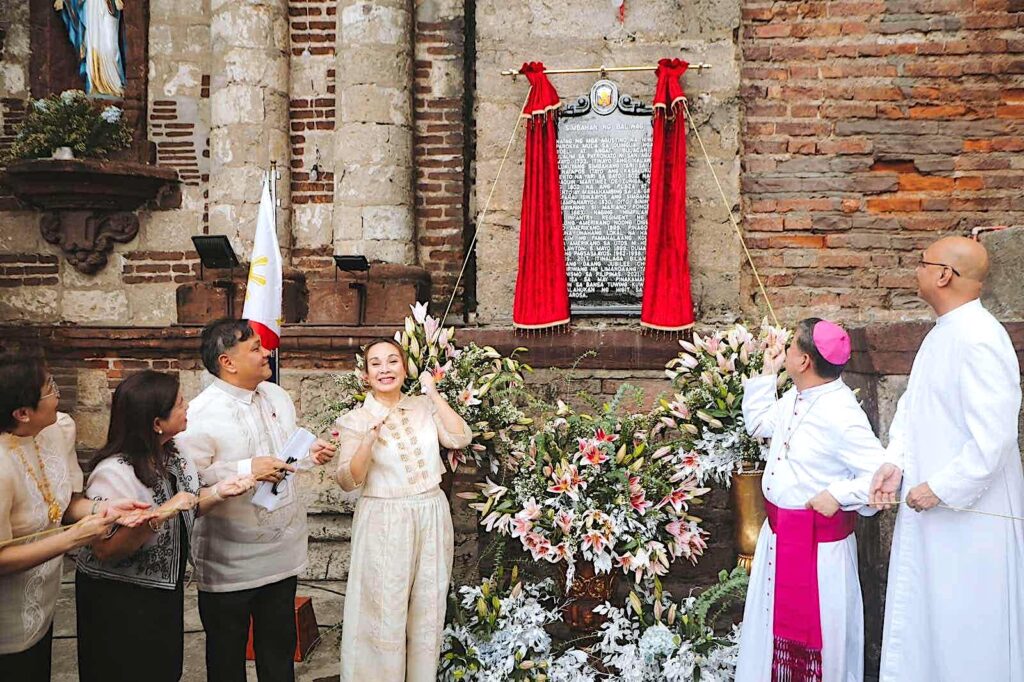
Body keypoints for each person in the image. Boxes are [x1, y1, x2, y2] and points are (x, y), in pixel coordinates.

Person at [869, 236, 1024, 681]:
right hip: (932, 512)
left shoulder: (979, 338)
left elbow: (994, 436)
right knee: (929, 624)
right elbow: (913, 409)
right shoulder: (943, 333)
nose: (916, 270)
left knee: (966, 629)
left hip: (970, 523)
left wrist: (941, 487)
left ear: (943, 275)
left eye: (923, 263)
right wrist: (895, 463)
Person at [174, 318, 336, 682]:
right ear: (227, 362)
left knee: (279, 649)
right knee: (227, 657)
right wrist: (247, 468)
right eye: (256, 348)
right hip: (230, 558)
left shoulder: (276, 395)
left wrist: (311, 452)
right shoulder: (200, 414)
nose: (267, 353)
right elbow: (187, 485)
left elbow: (287, 447)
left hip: (282, 551)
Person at [75, 370, 255, 682]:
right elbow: (106, 549)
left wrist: (219, 492)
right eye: (180, 404)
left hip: (163, 592)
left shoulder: (177, 452)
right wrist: (161, 514)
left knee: (164, 668)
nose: (188, 408)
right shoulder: (113, 472)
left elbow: (187, 505)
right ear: (157, 422)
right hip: (119, 596)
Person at [735, 319, 888, 682]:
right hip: (777, 540)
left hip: (820, 554)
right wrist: (768, 372)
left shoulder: (842, 413)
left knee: (821, 645)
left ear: (804, 361)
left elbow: (883, 476)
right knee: (768, 636)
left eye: (790, 346)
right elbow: (758, 425)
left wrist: (839, 495)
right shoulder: (797, 396)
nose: (785, 350)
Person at [0, 355, 146, 680]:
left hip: (43, 600)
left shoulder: (56, 430)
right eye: (50, 388)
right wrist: (74, 538)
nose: (58, 394)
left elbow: (65, 506)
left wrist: (104, 509)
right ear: (22, 413)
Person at [335, 337, 473, 682]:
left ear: (405, 367)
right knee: (384, 608)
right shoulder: (354, 419)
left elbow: (460, 438)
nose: (385, 369)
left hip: (430, 510)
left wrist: (433, 393)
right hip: (385, 517)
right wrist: (367, 441)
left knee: (428, 606)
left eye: (393, 361)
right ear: (365, 375)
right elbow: (348, 480)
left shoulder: (423, 407)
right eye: (376, 364)